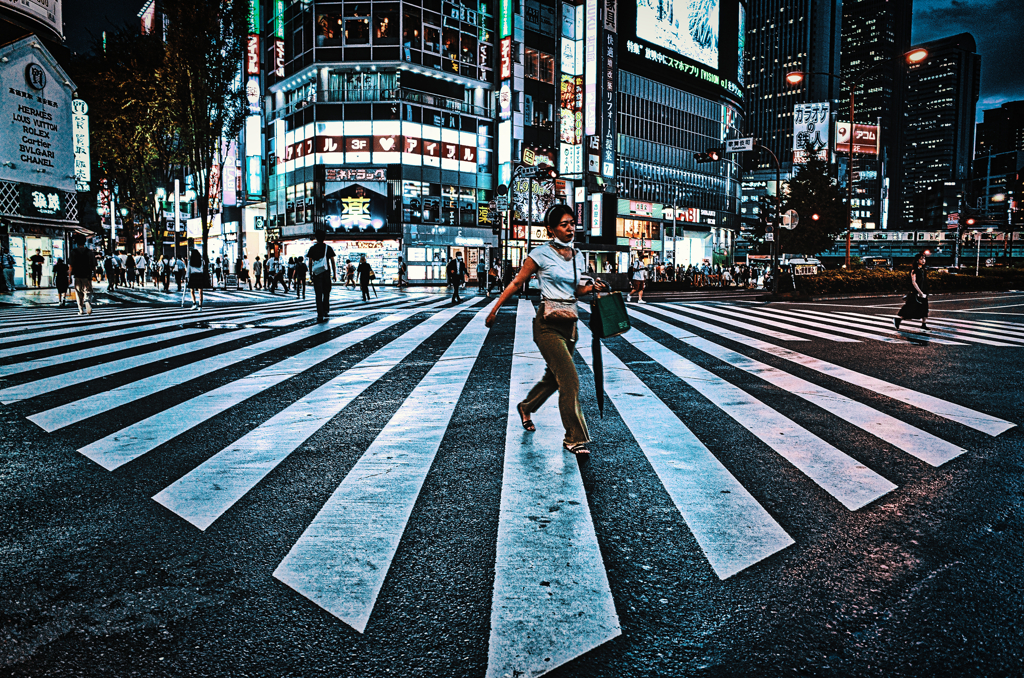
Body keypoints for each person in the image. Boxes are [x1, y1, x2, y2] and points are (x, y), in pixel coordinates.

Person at [485, 204, 608, 456]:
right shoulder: (539, 254)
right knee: (570, 380)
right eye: (564, 224)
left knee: (554, 378)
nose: (571, 228)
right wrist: (494, 309)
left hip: (570, 324)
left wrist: (593, 287)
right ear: (551, 229)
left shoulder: (578, 255)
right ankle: (573, 437)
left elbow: (577, 290)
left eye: (572, 223)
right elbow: (518, 281)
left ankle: (526, 406)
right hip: (547, 324)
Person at [895, 252, 930, 332]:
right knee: (910, 309)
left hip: (923, 293)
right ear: (917, 260)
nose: (923, 260)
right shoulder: (914, 270)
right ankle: (898, 319)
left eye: (924, 258)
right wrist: (920, 292)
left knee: (925, 308)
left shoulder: (923, 270)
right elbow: (914, 282)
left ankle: (923, 324)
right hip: (916, 293)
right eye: (921, 259)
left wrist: (924, 292)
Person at [307, 232, 337, 321]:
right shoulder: (328, 248)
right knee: (326, 292)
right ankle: (326, 310)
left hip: (317, 274)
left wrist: (310, 273)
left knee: (318, 294)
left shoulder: (312, 248)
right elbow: (332, 262)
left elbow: (310, 262)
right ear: (324, 238)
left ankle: (320, 313)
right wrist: (334, 274)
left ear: (316, 238)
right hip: (326, 273)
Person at [69, 235, 95, 315]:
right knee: (87, 291)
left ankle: (81, 310)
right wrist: (95, 275)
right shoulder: (89, 252)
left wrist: (69, 276)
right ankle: (87, 301)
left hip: (77, 275)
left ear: (77, 243)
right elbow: (94, 265)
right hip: (87, 275)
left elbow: (71, 265)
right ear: (85, 242)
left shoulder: (73, 252)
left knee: (78, 292)